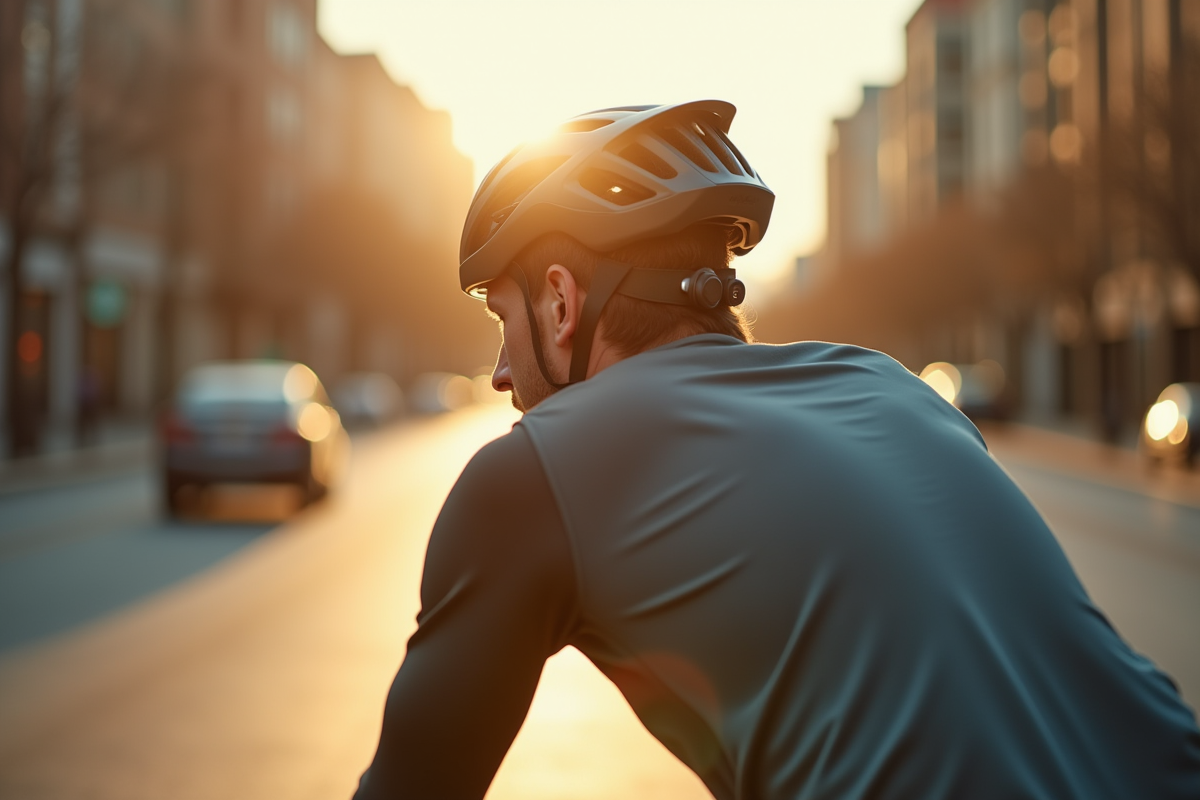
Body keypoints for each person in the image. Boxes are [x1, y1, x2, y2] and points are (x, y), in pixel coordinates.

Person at [352, 101, 1200, 799]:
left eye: (504, 320)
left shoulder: (529, 474)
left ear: (563, 303)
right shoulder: (897, 390)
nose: (501, 372)